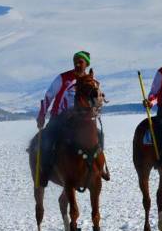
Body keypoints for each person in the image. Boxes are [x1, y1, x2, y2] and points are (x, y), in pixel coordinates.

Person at [36, 50, 110, 187]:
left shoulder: (91, 82)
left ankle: (100, 167)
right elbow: (49, 96)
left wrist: (98, 105)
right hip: (60, 118)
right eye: (75, 61)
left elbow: (97, 101)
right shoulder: (63, 78)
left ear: (86, 64)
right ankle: (45, 171)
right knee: (47, 138)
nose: (77, 64)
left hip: (81, 120)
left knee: (99, 135)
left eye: (80, 61)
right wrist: (41, 115)